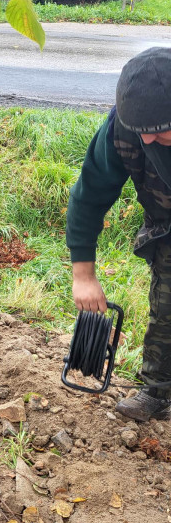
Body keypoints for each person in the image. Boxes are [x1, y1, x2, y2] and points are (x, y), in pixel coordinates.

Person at [66, 46, 171, 422]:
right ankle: (157, 391)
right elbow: (89, 196)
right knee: (167, 306)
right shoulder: (124, 129)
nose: (148, 141)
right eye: (142, 132)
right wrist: (83, 275)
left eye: (160, 131)